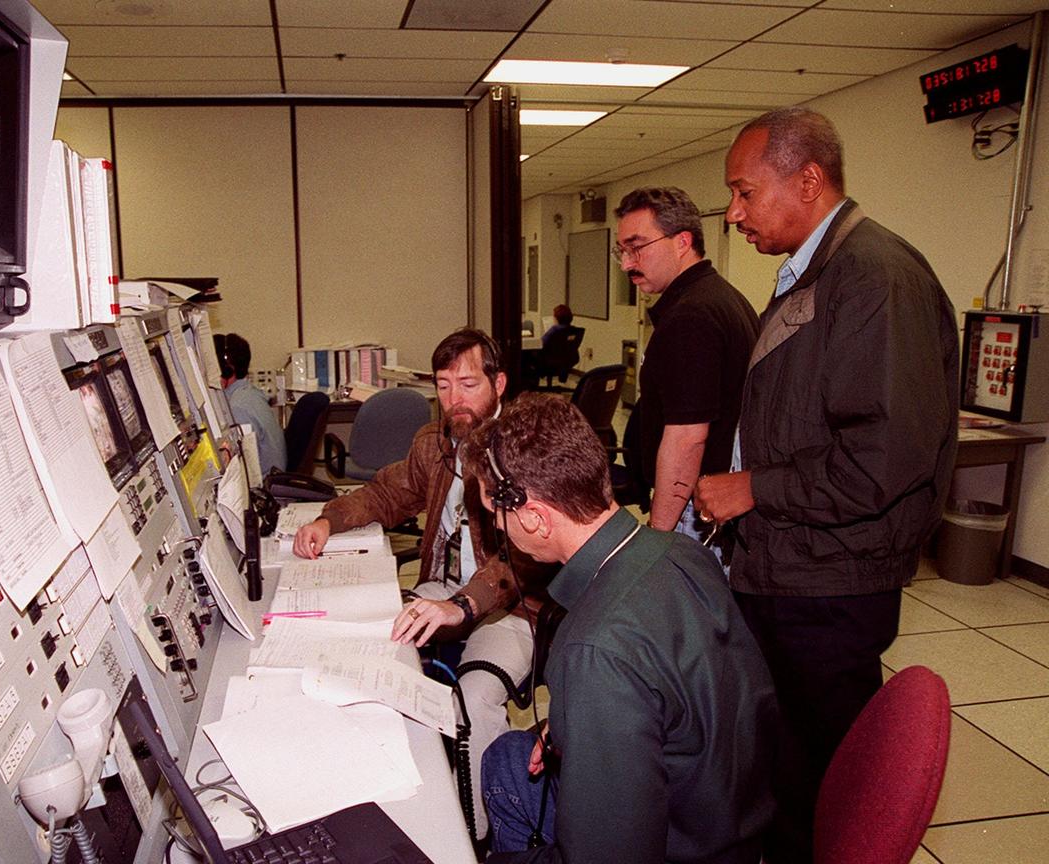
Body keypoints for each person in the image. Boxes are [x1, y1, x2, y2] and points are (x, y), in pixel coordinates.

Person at [694, 106, 959, 864]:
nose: (734, 214)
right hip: (790, 567)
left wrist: (755, 488)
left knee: (829, 788)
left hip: (830, 584)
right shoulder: (818, 268)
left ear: (809, 180)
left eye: (745, 193)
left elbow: (885, 459)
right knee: (784, 770)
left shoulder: (875, 277)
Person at [469, 394, 776, 864]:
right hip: (733, 822)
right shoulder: (681, 551)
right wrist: (577, 722)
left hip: (682, 846)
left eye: (497, 513)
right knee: (510, 757)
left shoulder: (593, 648)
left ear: (534, 516)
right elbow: (687, 691)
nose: (498, 528)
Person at [291, 328, 552, 839]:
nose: (455, 399)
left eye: (469, 384)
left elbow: (521, 561)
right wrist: (330, 519)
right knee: (371, 645)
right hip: (447, 591)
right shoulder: (434, 444)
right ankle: (399, 801)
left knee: (475, 701)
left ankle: (481, 835)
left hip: (514, 606)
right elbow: (387, 495)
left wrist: (462, 606)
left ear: (499, 383)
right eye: (444, 385)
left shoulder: (523, 449)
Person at [614, 186, 759, 540]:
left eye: (637, 247)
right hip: (714, 504)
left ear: (682, 242)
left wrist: (659, 536)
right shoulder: (723, 297)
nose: (626, 263)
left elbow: (687, 440)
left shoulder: (691, 317)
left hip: (695, 509)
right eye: (622, 251)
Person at [215, 333, 287, 475]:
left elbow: (242, 473)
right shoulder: (250, 394)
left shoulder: (237, 408)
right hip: (272, 477)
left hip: (264, 489)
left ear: (226, 369)